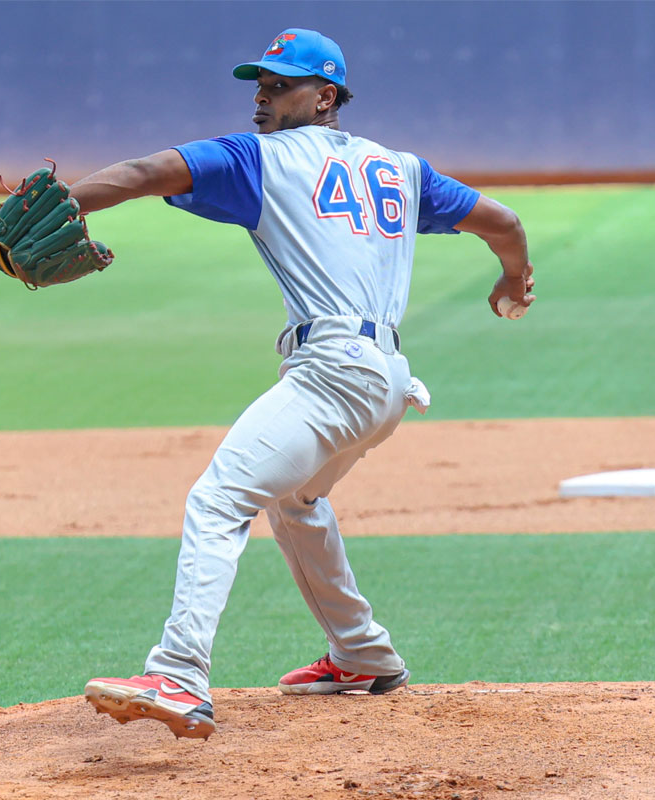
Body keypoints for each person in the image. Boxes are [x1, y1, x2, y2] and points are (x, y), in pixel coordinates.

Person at [78, 28, 534, 739]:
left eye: (280, 85)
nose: (262, 97)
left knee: (219, 498)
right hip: (388, 384)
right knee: (294, 501)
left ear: (325, 97)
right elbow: (502, 222)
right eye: (260, 84)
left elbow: (142, 172)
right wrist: (513, 279)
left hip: (334, 374)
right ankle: (362, 653)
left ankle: (178, 674)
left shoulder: (258, 158)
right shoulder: (401, 169)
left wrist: (67, 202)